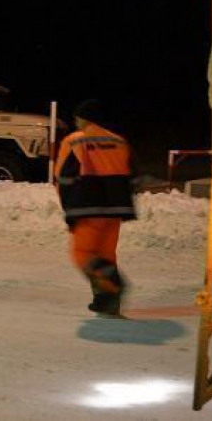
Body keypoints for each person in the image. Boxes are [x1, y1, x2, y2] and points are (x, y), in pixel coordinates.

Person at [54, 99, 136, 316]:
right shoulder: (119, 141)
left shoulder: (74, 141)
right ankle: (107, 302)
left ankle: (114, 283)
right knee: (105, 255)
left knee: (82, 254)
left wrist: (69, 209)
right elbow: (130, 174)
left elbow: (64, 178)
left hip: (87, 208)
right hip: (115, 210)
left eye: (76, 118)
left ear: (83, 119)